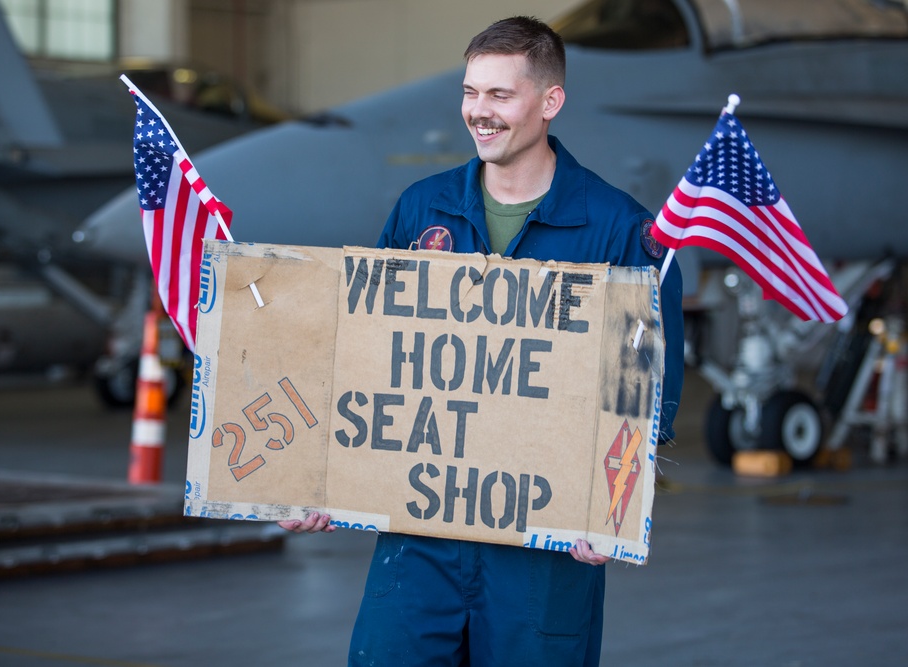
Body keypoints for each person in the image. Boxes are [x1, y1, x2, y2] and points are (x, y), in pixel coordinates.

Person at [281, 15, 684, 666]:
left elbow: (648, 388)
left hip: (544, 547)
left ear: (550, 101)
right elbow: (364, 354)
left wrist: (612, 510)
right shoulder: (422, 210)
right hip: (421, 533)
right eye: (470, 93)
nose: (479, 112)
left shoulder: (619, 230)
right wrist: (318, 476)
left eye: (499, 95)